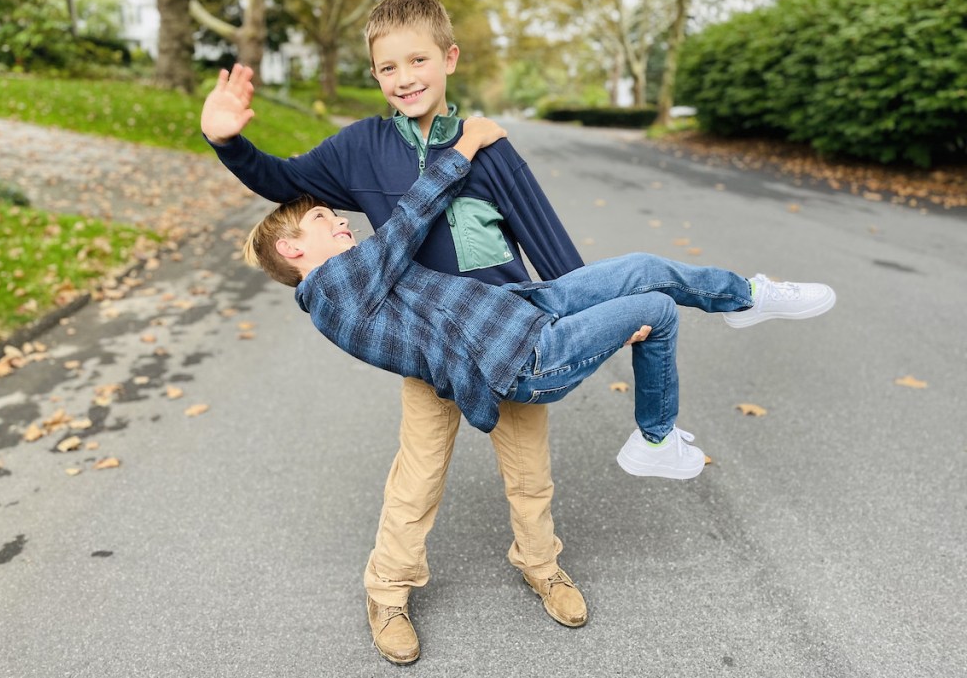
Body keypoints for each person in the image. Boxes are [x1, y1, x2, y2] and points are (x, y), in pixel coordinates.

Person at [201, 0, 589, 665]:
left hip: (513, 336)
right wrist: (228, 142)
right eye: (387, 67)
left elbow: (547, 239)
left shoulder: (489, 148)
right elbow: (283, 181)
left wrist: (588, 312)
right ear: (375, 75)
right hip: (429, 348)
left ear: (449, 59)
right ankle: (387, 590)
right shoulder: (362, 148)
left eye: (418, 60)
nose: (404, 77)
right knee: (415, 479)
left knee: (531, 475)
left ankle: (541, 564)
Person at [242, 118, 835, 490]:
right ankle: (655, 439)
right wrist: (467, 145)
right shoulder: (333, 293)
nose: (339, 217)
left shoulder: (352, 277)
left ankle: (747, 297)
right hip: (524, 356)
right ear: (295, 248)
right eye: (325, 217)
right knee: (657, 308)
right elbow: (408, 218)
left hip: (523, 307)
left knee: (644, 268)